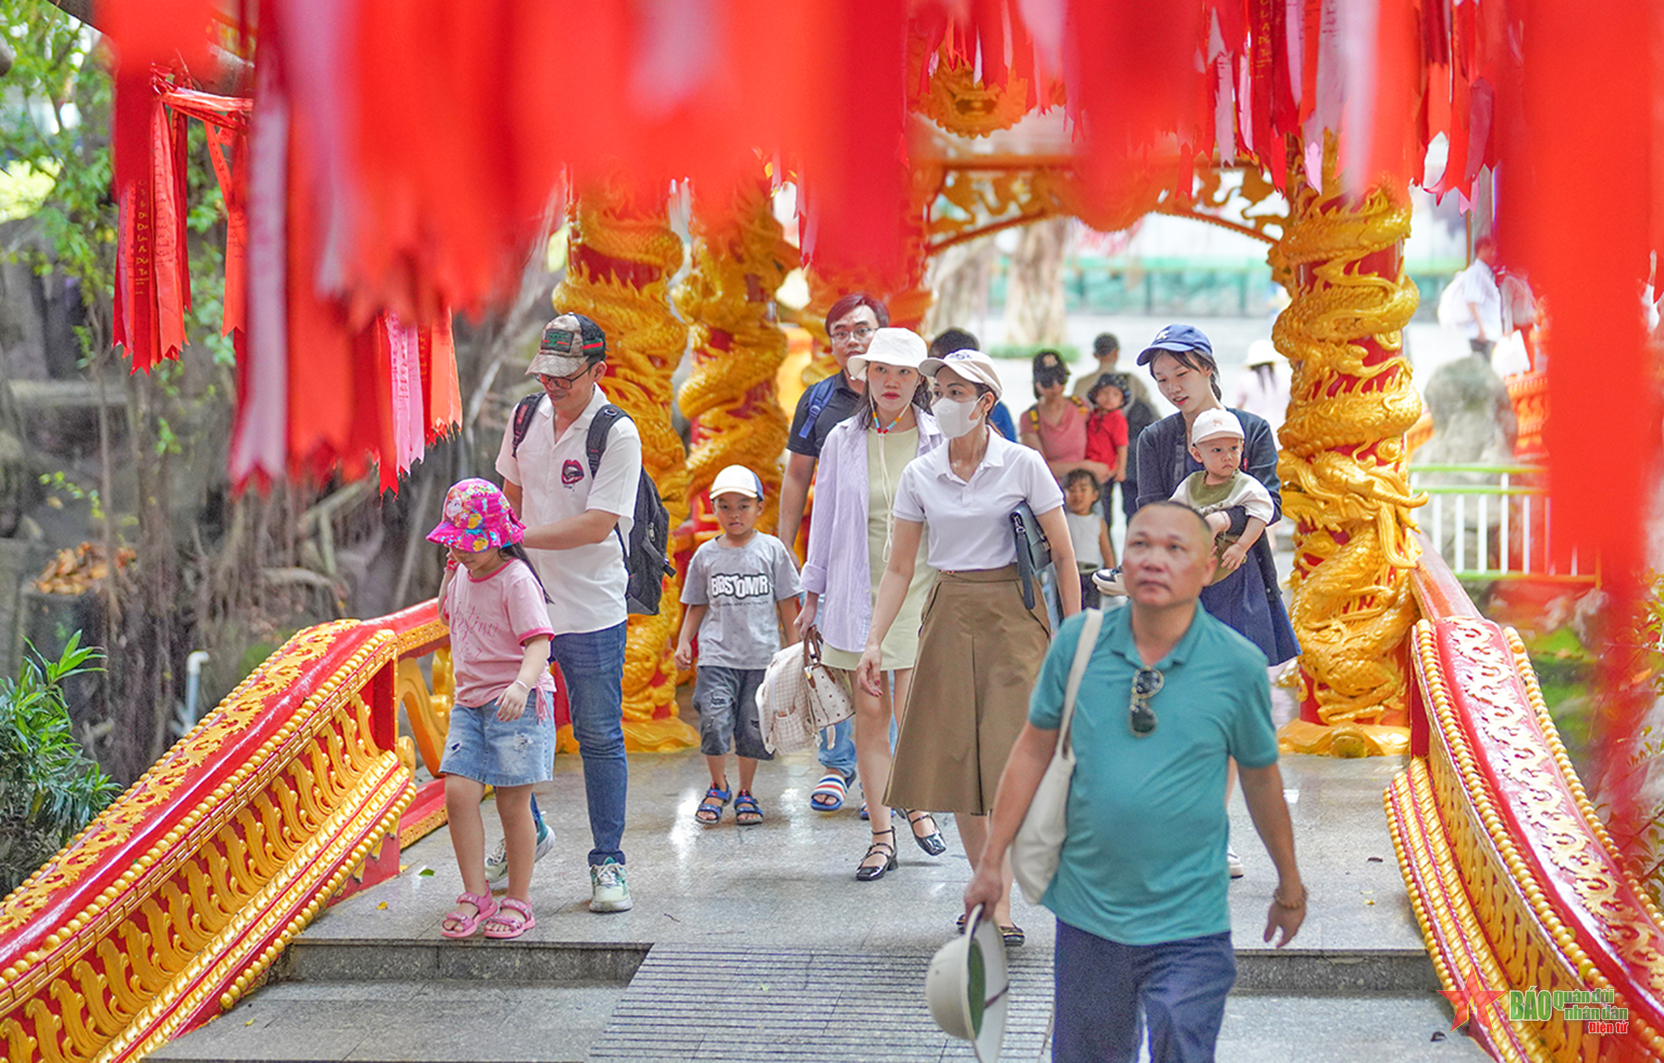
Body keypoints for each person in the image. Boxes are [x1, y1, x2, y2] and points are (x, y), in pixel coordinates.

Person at [965, 502, 1306, 1063]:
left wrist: (1289, 884)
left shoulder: (1236, 665)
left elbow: (1262, 781)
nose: (1153, 560)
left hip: (1191, 918)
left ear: (1209, 568)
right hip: (1089, 914)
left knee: (1180, 1038)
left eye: (1176, 549)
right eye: (1140, 545)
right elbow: (1032, 749)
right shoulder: (1079, 643)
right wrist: (989, 865)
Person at [858, 347, 1081, 943]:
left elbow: (1062, 555)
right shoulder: (920, 473)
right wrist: (874, 640)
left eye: (958, 392)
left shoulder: (1023, 464)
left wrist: (1073, 635)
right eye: (940, 391)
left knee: (1009, 761)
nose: (943, 401)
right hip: (949, 613)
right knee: (960, 763)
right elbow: (900, 567)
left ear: (986, 403)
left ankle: (997, 890)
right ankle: (988, 896)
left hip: (1014, 614)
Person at [497, 313, 639, 913]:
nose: (553, 386)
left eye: (566, 377)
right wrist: (495, 563)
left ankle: (608, 863)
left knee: (599, 735)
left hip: (592, 607)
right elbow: (510, 495)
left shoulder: (617, 433)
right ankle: (528, 830)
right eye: (546, 374)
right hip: (526, 604)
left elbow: (597, 523)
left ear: (597, 371)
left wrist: (518, 538)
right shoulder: (525, 416)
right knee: (507, 727)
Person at [797, 328, 948, 878]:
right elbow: (825, 522)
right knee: (871, 716)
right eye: (881, 371)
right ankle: (882, 835)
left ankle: (920, 806)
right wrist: (811, 596)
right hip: (854, 591)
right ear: (865, 376)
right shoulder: (840, 438)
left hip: (921, 590)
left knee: (913, 716)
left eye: (904, 373)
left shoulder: (939, 438)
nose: (891, 382)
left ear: (919, 381)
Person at [430, 479, 559, 941]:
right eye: (455, 544)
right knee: (459, 794)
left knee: (511, 802)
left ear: (497, 538)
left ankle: (519, 900)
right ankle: (475, 892)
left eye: (468, 545)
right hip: (470, 703)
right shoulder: (462, 571)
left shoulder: (516, 579)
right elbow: (447, 615)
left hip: (515, 704)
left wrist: (522, 687)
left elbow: (539, 642)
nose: (461, 552)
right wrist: (449, 572)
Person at [1132, 324, 1298, 669]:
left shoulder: (1252, 430)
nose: (1172, 387)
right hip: (1176, 579)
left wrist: (1225, 519)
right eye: (1161, 379)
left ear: (1207, 367)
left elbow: (1272, 504)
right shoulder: (1154, 439)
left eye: (1181, 373)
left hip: (1240, 575)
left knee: (1238, 688)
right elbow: (1150, 512)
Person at [778, 293, 883, 814]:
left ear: (881, 333)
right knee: (834, 656)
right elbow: (797, 476)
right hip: (838, 552)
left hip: (897, 552)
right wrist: (784, 547)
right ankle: (839, 765)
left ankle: (882, 777)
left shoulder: (909, 393)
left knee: (892, 657)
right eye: (841, 332)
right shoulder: (819, 399)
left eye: (861, 330)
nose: (852, 341)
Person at [675, 465, 802, 828]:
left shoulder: (772, 550)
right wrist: (686, 640)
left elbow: (787, 604)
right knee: (714, 722)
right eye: (725, 506)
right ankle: (718, 786)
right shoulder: (705, 555)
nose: (734, 514)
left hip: (761, 658)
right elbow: (696, 602)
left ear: (760, 507)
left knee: (752, 728)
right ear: (713, 508)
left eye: (743, 505)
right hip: (716, 658)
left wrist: (794, 653)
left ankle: (746, 791)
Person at [1169, 409, 1273, 584]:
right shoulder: (1191, 484)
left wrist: (1242, 546)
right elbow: (1173, 512)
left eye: (1233, 448)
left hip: (1228, 558)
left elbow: (1261, 514)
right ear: (1197, 454)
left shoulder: (1246, 485)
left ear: (1242, 448)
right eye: (1217, 450)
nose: (1227, 456)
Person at [1020, 349, 1108, 485]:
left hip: (1084, 490)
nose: (1056, 386)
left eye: (1061, 379)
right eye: (1047, 382)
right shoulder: (1029, 418)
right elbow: (1039, 467)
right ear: (1036, 384)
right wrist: (1084, 466)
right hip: (1048, 492)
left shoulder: (1080, 407)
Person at [929, 327, 1017, 441]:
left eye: (956, 392)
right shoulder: (924, 411)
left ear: (986, 402)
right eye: (937, 393)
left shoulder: (998, 412)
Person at [1063, 468, 1114, 609]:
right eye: (1071, 490)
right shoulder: (1063, 521)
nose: (1077, 495)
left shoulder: (1099, 522)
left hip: (1092, 575)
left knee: (1092, 611)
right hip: (1069, 574)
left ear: (1094, 495)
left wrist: (1111, 572)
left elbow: (1107, 551)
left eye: (1083, 489)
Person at [1452, 235, 1503, 359]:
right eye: (1492, 250)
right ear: (1483, 249)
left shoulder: (1485, 272)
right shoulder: (1475, 272)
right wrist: (1481, 328)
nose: (1494, 254)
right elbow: (1471, 300)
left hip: (1490, 333)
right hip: (1482, 334)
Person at [1084, 373, 1130, 509]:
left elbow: (1122, 445)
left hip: (1106, 469)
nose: (1109, 398)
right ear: (1095, 395)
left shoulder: (1117, 419)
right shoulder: (1093, 414)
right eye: (1104, 393)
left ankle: (1105, 528)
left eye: (1115, 395)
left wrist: (1121, 470)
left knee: (1103, 503)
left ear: (1122, 400)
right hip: (1090, 465)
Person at [1230, 340, 1288, 434]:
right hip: (1284, 429)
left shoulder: (1245, 379)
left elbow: (1238, 410)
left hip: (1259, 431)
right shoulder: (1285, 377)